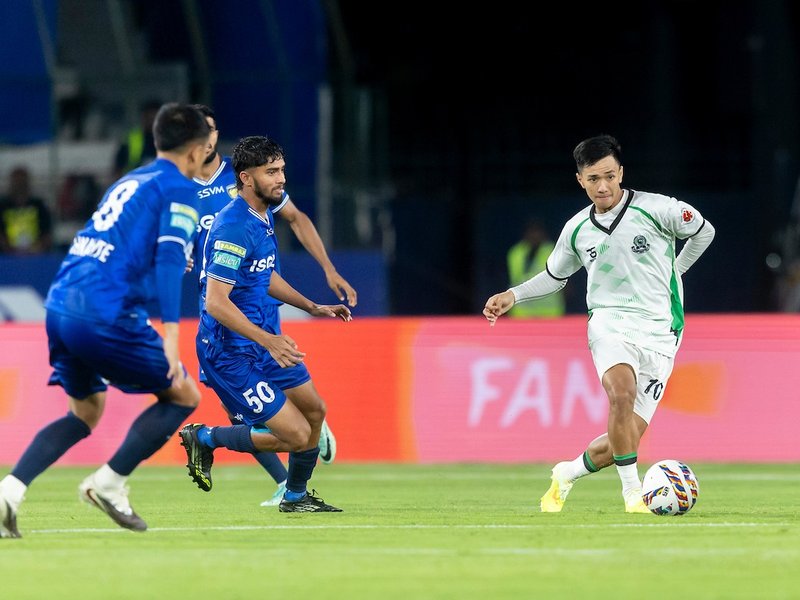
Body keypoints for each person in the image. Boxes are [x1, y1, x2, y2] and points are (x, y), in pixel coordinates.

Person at [0, 103, 210, 538]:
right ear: (194, 151)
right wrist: (171, 335)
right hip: (103, 312)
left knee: (86, 410)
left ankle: (8, 492)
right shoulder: (181, 187)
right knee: (184, 395)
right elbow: (171, 259)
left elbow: (121, 253)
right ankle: (109, 484)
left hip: (60, 305)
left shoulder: (131, 179)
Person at [483, 134, 715, 513]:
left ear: (621, 172)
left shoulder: (657, 210)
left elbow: (704, 230)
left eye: (609, 175)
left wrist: (676, 269)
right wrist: (513, 295)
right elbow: (554, 276)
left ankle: (567, 473)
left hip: (661, 332)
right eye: (593, 179)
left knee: (623, 440)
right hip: (609, 322)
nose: (603, 186)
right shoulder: (577, 229)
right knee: (620, 393)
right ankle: (632, 495)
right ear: (580, 180)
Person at [189, 104, 356, 506]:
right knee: (295, 433)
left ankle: (295, 495)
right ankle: (204, 438)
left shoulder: (261, 214)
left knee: (315, 412)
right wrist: (268, 341)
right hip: (230, 351)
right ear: (246, 179)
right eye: (272, 172)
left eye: (281, 170)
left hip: (263, 338)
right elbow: (215, 303)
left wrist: (312, 305)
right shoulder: (233, 224)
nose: (281, 180)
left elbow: (264, 276)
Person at [506, 219, 564, 318]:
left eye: (537, 231)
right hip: (522, 313)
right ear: (525, 233)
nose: (534, 235)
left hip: (549, 313)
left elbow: (564, 280)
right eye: (531, 231)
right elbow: (512, 281)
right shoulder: (516, 253)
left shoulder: (553, 250)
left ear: (543, 233)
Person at [0, 166, 54, 254]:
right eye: (17, 183)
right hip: (6, 257)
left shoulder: (39, 206)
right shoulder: (2, 206)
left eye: (22, 183)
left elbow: (47, 233)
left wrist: (36, 248)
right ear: (11, 183)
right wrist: (10, 249)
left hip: (36, 255)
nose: (19, 186)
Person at [112, 99, 161, 180]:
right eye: (149, 118)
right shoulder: (132, 138)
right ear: (143, 117)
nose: (152, 122)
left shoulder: (170, 139)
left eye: (154, 118)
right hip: (134, 182)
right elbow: (118, 166)